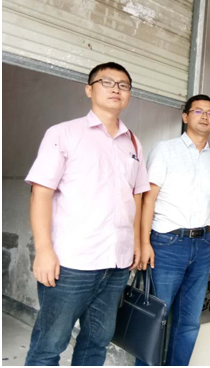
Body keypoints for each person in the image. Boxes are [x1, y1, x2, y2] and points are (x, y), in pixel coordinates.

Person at [24, 62, 150, 366]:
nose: (116, 89)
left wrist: (136, 242)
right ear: (89, 90)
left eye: (123, 85)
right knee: (48, 346)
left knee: (97, 343)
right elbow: (41, 193)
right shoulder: (64, 133)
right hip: (71, 263)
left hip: (116, 264)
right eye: (107, 82)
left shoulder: (134, 143)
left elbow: (136, 196)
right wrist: (43, 250)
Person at [137, 94, 210, 366]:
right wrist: (144, 242)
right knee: (155, 317)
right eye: (198, 111)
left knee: (189, 321)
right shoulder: (165, 150)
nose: (205, 117)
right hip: (166, 244)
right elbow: (148, 199)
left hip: (201, 246)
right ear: (185, 116)